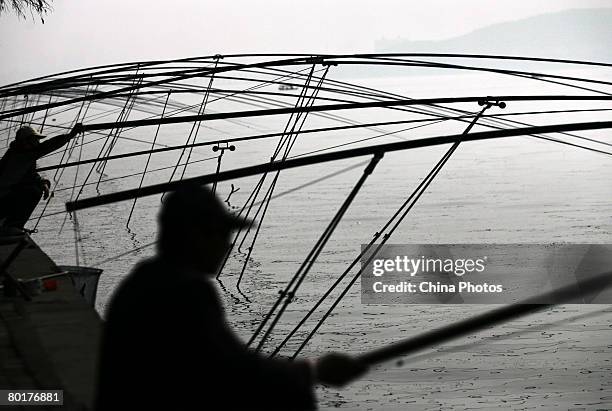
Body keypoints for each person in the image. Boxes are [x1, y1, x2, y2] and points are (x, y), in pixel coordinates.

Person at [96, 184, 367, 410]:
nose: (228, 244)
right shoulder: (187, 292)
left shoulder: (144, 278)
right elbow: (237, 371)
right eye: (222, 234)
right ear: (194, 235)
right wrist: (314, 371)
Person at [0, 124, 83, 231]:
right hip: (2, 200)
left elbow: (29, 174)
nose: (38, 143)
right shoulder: (21, 154)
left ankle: (11, 224)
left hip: (4, 200)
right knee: (34, 190)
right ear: (25, 141)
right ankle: (12, 226)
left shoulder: (18, 153)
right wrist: (71, 135)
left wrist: (42, 181)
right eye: (35, 140)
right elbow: (47, 146)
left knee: (35, 186)